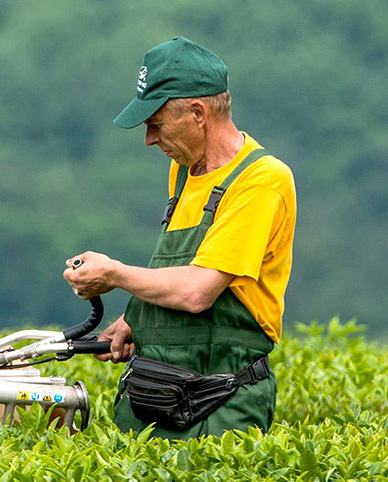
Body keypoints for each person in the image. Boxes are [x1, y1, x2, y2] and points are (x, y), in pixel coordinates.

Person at [63, 37, 295, 439]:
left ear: (198, 113)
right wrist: (134, 321)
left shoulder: (262, 181)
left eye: (156, 125)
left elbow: (198, 291)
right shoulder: (184, 171)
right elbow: (181, 270)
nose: (149, 139)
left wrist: (114, 274)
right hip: (156, 388)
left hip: (222, 399)